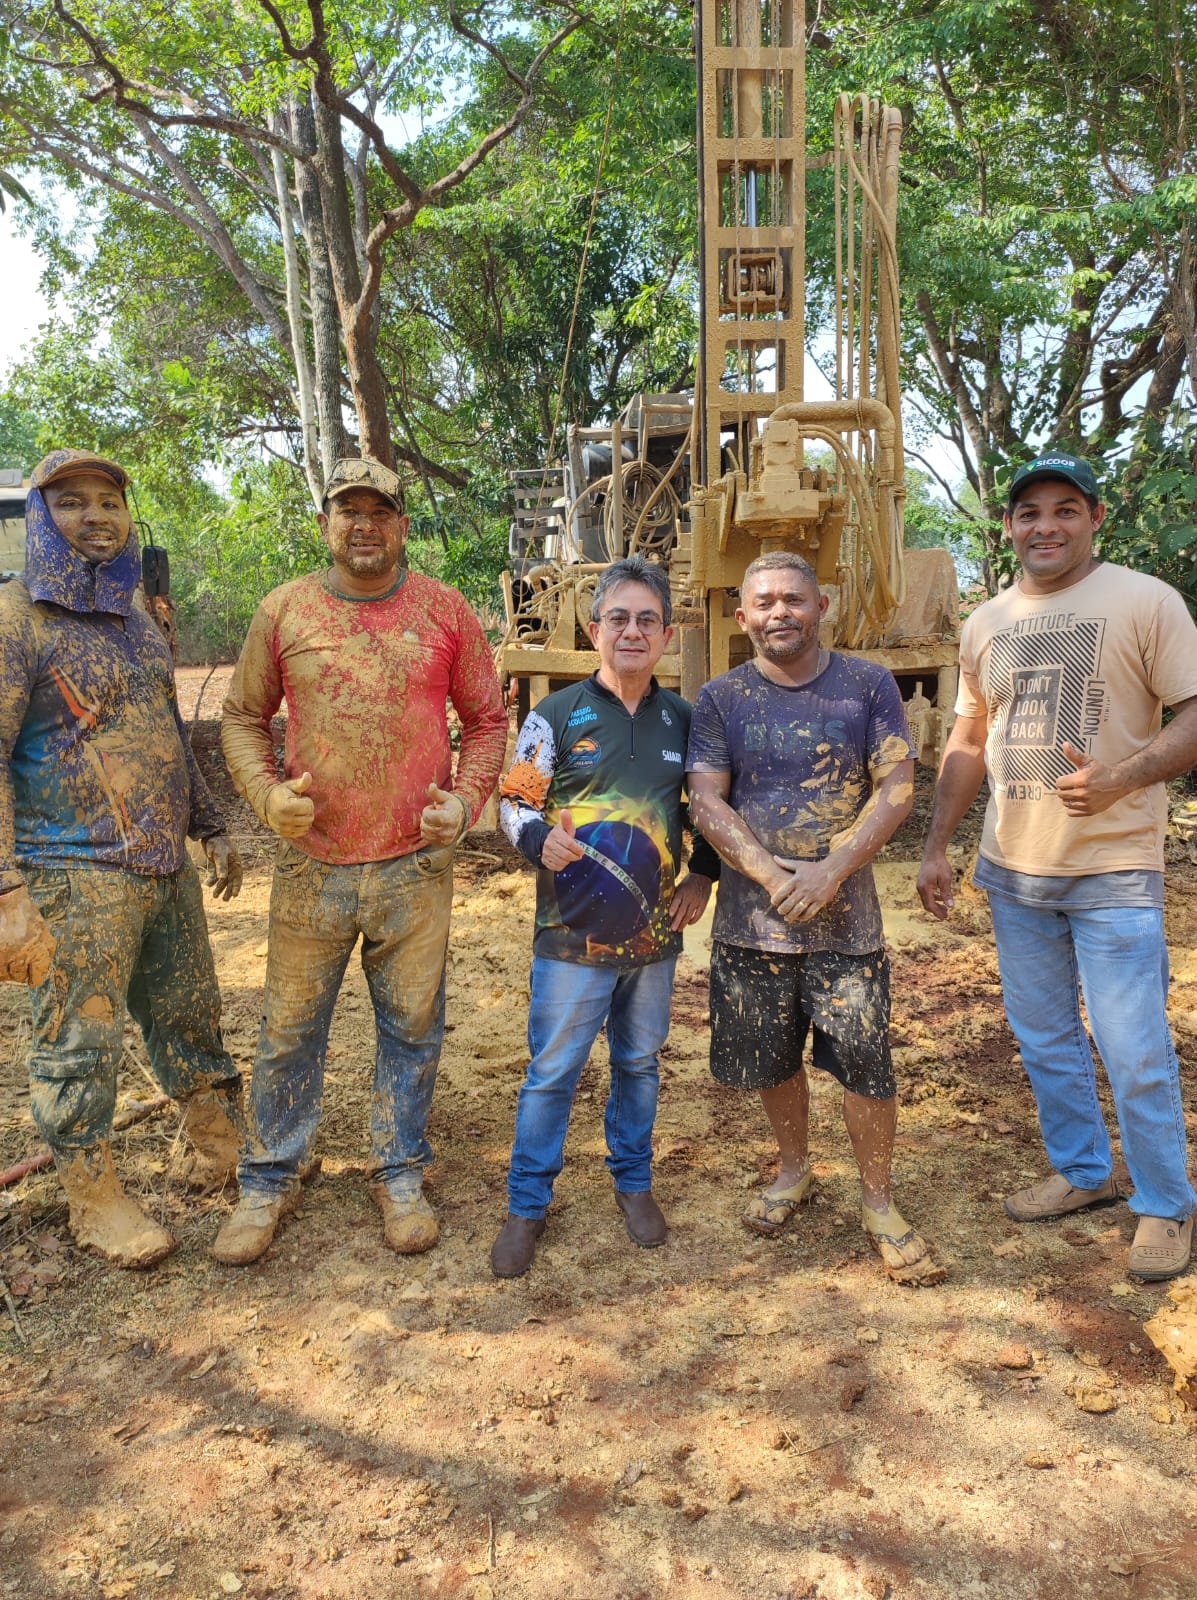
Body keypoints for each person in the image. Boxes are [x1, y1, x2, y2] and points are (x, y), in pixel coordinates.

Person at [216, 456, 507, 1265]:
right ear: (325, 525)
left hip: (416, 864)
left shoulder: (445, 610)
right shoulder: (285, 610)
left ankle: (399, 1170)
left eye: (381, 510)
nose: (365, 524)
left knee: (411, 1029)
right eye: (349, 510)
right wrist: (268, 798)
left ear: (401, 525)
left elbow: (486, 719)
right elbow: (243, 717)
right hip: (313, 862)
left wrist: (467, 799)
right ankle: (269, 1177)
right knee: (287, 1030)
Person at [917, 451, 1197, 1281]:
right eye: (1029, 512)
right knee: (1042, 1037)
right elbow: (968, 740)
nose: (1045, 525)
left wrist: (1121, 776)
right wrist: (937, 845)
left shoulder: (1144, 601)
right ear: (1006, 525)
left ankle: (1163, 1204)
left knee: (1132, 1046)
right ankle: (1083, 1173)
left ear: (1093, 519)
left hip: (1112, 868)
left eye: (1064, 510)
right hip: (1014, 871)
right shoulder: (984, 623)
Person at [0, 449, 244, 1269]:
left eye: (110, 501)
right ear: (41, 517)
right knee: (80, 1042)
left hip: (161, 865)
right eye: (73, 502)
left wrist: (208, 824)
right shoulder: (15, 620)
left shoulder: (138, 620)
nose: (97, 516)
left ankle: (214, 1149)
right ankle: (93, 1197)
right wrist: (6, 890)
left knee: (188, 1012)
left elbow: (169, 736)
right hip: (72, 871)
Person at [687, 550, 943, 1286]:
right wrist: (770, 875)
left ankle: (878, 1199)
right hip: (749, 923)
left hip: (848, 923)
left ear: (821, 604)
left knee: (865, 1065)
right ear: (742, 618)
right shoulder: (720, 698)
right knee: (772, 1059)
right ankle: (794, 1169)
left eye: (792, 599)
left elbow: (896, 782)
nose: (779, 613)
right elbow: (707, 800)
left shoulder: (866, 686)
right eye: (763, 602)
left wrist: (832, 871)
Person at [492, 554, 718, 1277]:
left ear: (667, 633)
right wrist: (536, 837)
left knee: (639, 1064)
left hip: (654, 940)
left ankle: (634, 1184)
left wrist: (703, 877)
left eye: (645, 619)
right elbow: (513, 801)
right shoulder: (554, 715)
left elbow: (710, 810)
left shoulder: (688, 719)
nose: (631, 631)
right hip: (568, 936)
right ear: (595, 631)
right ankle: (526, 1207)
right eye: (617, 618)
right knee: (553, 1070)